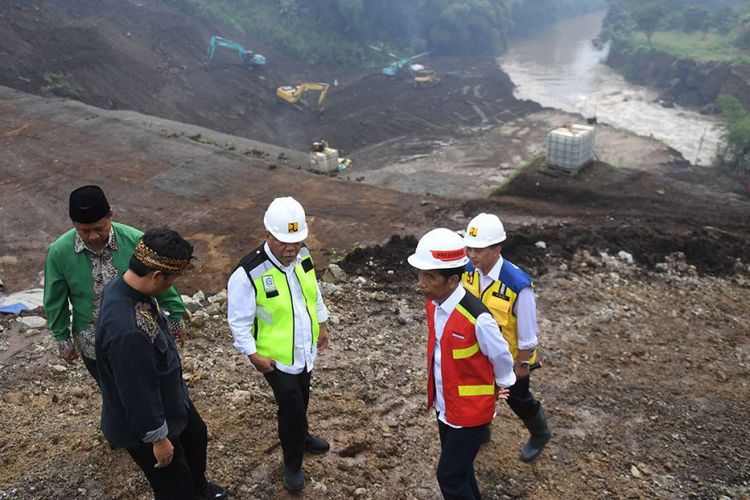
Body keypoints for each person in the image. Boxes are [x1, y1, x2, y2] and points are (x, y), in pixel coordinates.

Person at [95, 228, 227, 500]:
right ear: (157, 276)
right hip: (145, 422)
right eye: (173, 279)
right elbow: (136, 393)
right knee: (173, 486)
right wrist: (158, 440)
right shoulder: (128, 330)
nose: (173, 284)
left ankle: (200, 490)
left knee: (195, 435)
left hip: (168, 398)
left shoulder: (123, 286)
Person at [227, 196, 330, 492]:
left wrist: (322, 324)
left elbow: (313, 292)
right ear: (267, 235)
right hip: (275, 359)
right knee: (291, 409)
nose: (291, 249)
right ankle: (293, 462)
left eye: (297, 242)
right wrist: (252, 355)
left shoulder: (303, 256)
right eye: (284, 242)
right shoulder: (248, 272)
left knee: (303, 397)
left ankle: (303, 435)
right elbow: (239, 321)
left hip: (305, 350)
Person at [408, 228, 516, 499]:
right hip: (446, 406)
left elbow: (501, 354)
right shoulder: (434, 304)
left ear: (453, 280)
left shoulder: (478, 318)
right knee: (462, 470)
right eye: (420, 274)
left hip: (471, 413)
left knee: (450, 475)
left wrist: (504, 384)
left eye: (429, 277)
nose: (420, 283)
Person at [43, 185, 187, 383]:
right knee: (115, 394)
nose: (94, 236)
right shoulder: (59, 252)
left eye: (99, 229)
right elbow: (55, 299)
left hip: (143, 334)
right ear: (74, 224)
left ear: (110, 215)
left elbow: (161, 280)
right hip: (93, 342)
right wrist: (62, 339)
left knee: (157, 385)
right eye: (85, 230)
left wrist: (176, 316)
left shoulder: (136, 241)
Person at [462, 213, 551, 462]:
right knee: (479, 394)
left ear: (497, 249)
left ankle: (540, 432)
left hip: (509, 358)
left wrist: (523, 363)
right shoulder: (468, 272)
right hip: (477, 352)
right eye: (470, 248)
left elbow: (528, 332)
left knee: (518, 399)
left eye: (478, 249)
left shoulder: (517, 284)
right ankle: (482, 430)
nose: (472, 255)